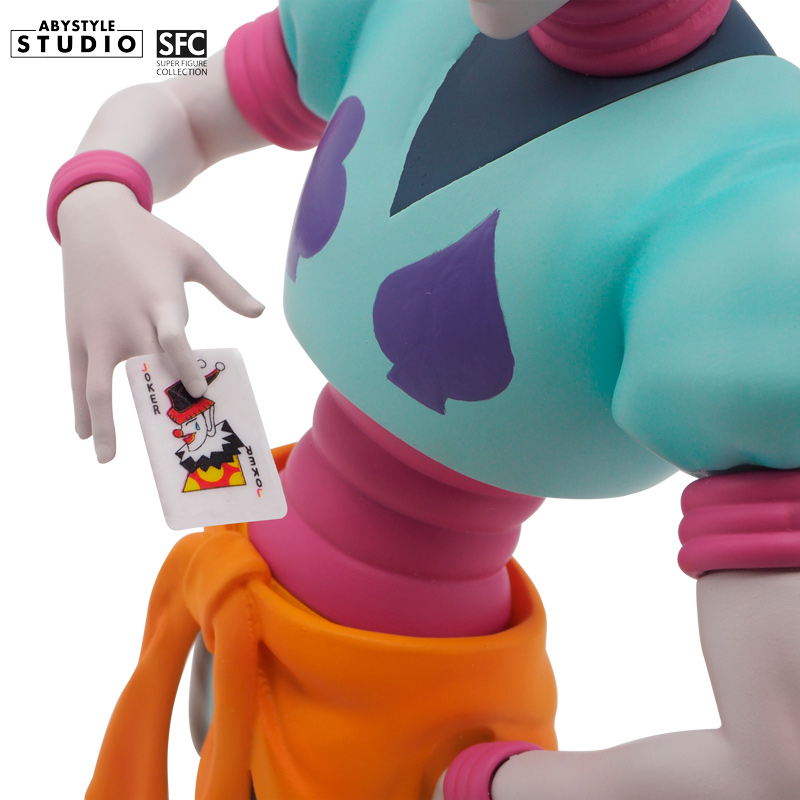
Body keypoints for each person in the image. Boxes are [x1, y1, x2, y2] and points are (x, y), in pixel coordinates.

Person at [49, 1, 800, 798]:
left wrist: (482, 784)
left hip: (403, 721)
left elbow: (775, 764)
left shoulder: (761, 210)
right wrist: (100, 191)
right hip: (231, 591)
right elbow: (186, 104)